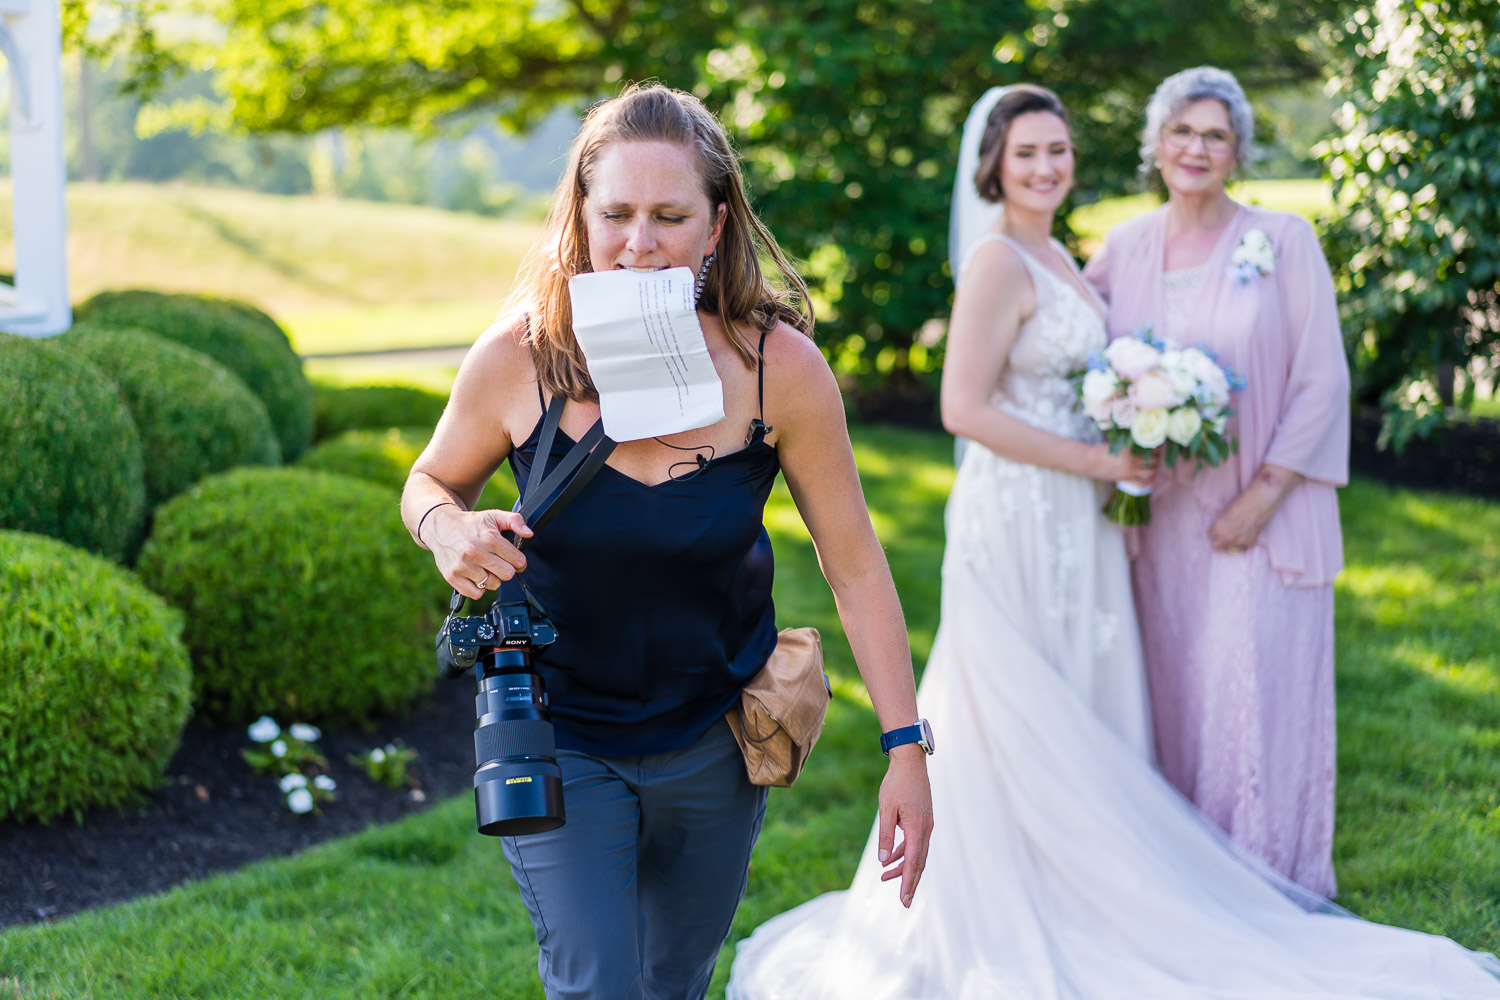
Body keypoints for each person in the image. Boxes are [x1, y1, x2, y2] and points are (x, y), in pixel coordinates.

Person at [727, 84, 1500, 1000]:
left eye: (1059, 150)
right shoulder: (998, 260)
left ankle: (1091, 885)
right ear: (994, 166)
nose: (1046, 167)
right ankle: (1012, 897)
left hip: (1079, 518)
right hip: (1020, 516)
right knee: (1010, 702)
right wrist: (1101, 460)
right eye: (1026, 153)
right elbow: (962, 408)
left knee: (1082, 698)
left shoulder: (1062, 254)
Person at [399, 84, 933, 1000]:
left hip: (714, 737)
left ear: (717, 225)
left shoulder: (777, 371)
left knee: (673, 981)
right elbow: (427, 482)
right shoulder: (519, 358)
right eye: (616, 214)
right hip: (558, 730)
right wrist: (446, 526)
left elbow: (853, 564)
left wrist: (904, 750)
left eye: (670, 216)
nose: (639, 243)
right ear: (581, 217)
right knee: (599, 984)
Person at [1083, 65, 1350, 897]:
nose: (1196, 148)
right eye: (1182, 131)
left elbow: (1322, 379)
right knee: (1179, 701)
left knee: (1254, 702)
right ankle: (1191, 889)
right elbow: (1069, 351)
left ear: (1238, 152)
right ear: (1156, 144)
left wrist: (1264, 496)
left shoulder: (1284, 240)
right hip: (1159, 523)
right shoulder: (1125, 246)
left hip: (1261, 516)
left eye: (1215, 135)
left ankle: (1267, 882)